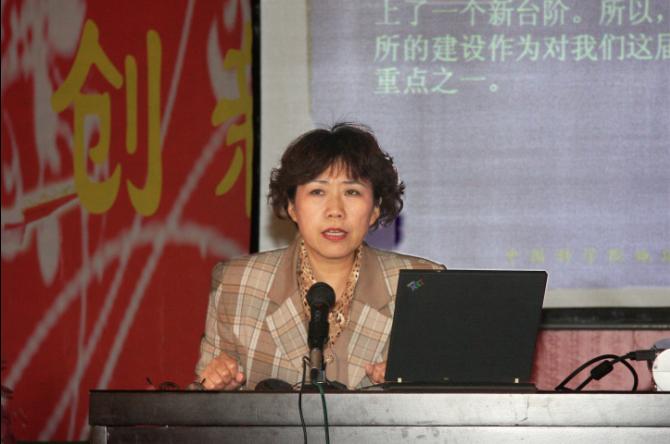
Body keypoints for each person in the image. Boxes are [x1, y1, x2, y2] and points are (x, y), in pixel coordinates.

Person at [195, 122, 444, 390]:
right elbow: (197, 405)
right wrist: (216, 389)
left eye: (352, 192)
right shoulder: (238, 284)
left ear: (374, 209)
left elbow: (452, 404)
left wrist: (414, 389)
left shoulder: (422, 286)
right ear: (292, 206)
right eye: (317, 192)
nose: (335, 210)